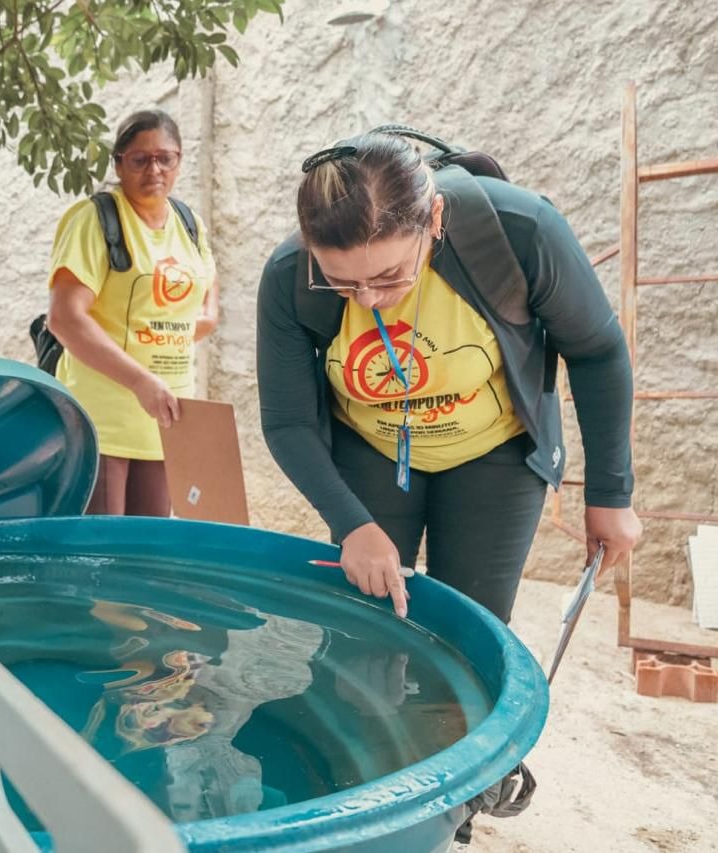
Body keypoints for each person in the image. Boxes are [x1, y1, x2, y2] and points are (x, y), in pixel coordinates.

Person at [256, 132, 642, 622]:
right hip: (369, 447)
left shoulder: (521, 230)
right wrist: (352, 525)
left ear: (434, 218)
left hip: (495, 450)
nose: (369, 298)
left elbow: (597, 352)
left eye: (389, 275)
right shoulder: (288, 276)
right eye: (342, 282)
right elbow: (288, 421)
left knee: (468, 628)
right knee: (364, 628)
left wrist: (611, 495)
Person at [47, 109, 219, 516]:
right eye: (140, 159)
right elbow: (65, 319)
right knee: (100, 556)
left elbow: (208, 294)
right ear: (119, 163)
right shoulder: (94, 219)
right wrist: (141, 378)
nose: (154, 169)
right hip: (102, 421)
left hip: (166, 419)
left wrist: (181, 330)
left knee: (146, 556)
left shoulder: (188, 222)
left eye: (166, 158)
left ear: (179, 159)